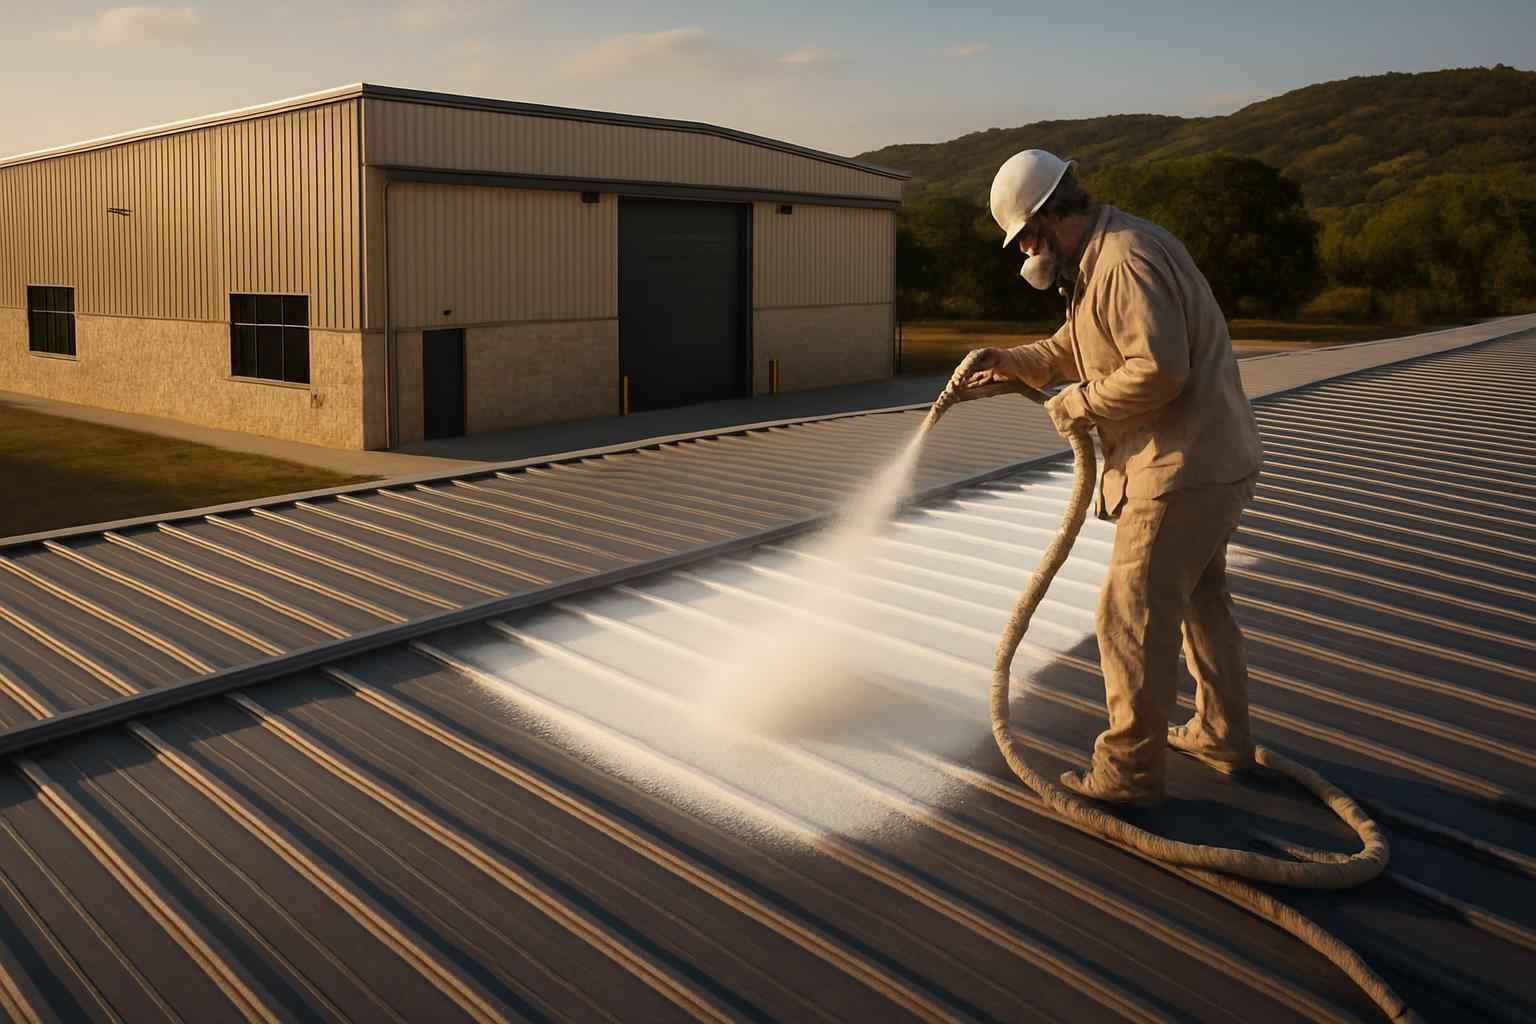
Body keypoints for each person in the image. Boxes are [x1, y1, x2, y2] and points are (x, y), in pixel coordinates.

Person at [965, 149, 1263, 805]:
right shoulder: (1105, 256)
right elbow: (1080, 346)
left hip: (1180, 469)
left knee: (1127, 615)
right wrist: (1012, 363)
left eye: (1029, 238)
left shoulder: (1124, 260)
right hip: (1213, 460)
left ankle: (1129, 772)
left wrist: (1074, 404)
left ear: (1048, 218)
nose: (1030, 253)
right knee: (1200, 602)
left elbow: (1158, 370)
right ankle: (1221, 733)